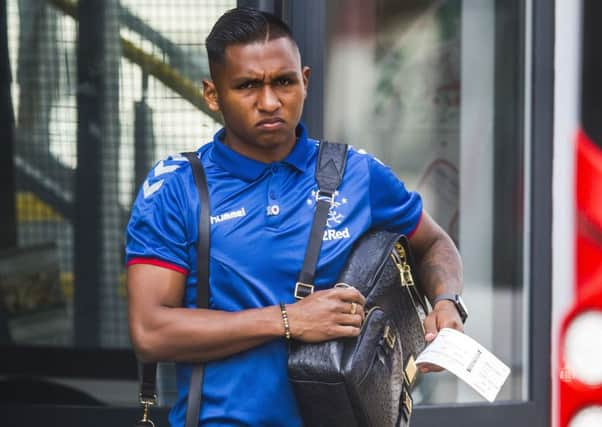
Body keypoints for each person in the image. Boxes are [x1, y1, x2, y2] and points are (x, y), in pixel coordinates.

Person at [125, 6, 465, 427]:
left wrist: (447, 302)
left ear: (304, 81)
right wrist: (289, 320)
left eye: (283, 82)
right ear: (212, 94)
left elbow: (433, 243)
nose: (269, 102)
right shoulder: (176, 188)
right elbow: (150, 332)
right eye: (247, 86)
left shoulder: (357, 174)